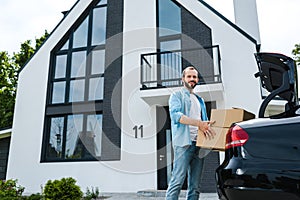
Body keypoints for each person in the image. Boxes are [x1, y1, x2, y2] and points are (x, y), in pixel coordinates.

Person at [165, 66, 215, 200]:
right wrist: (199, 124)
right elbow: (177, 116)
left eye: (194, 77)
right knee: (177, 181)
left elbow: (203, 121)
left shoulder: (200, 100)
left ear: (197, 79)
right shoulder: (176, 95)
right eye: (189, 76)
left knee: (195, 186)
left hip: (199, 144)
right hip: (183, 144)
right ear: (183, 79)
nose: (192, 79)